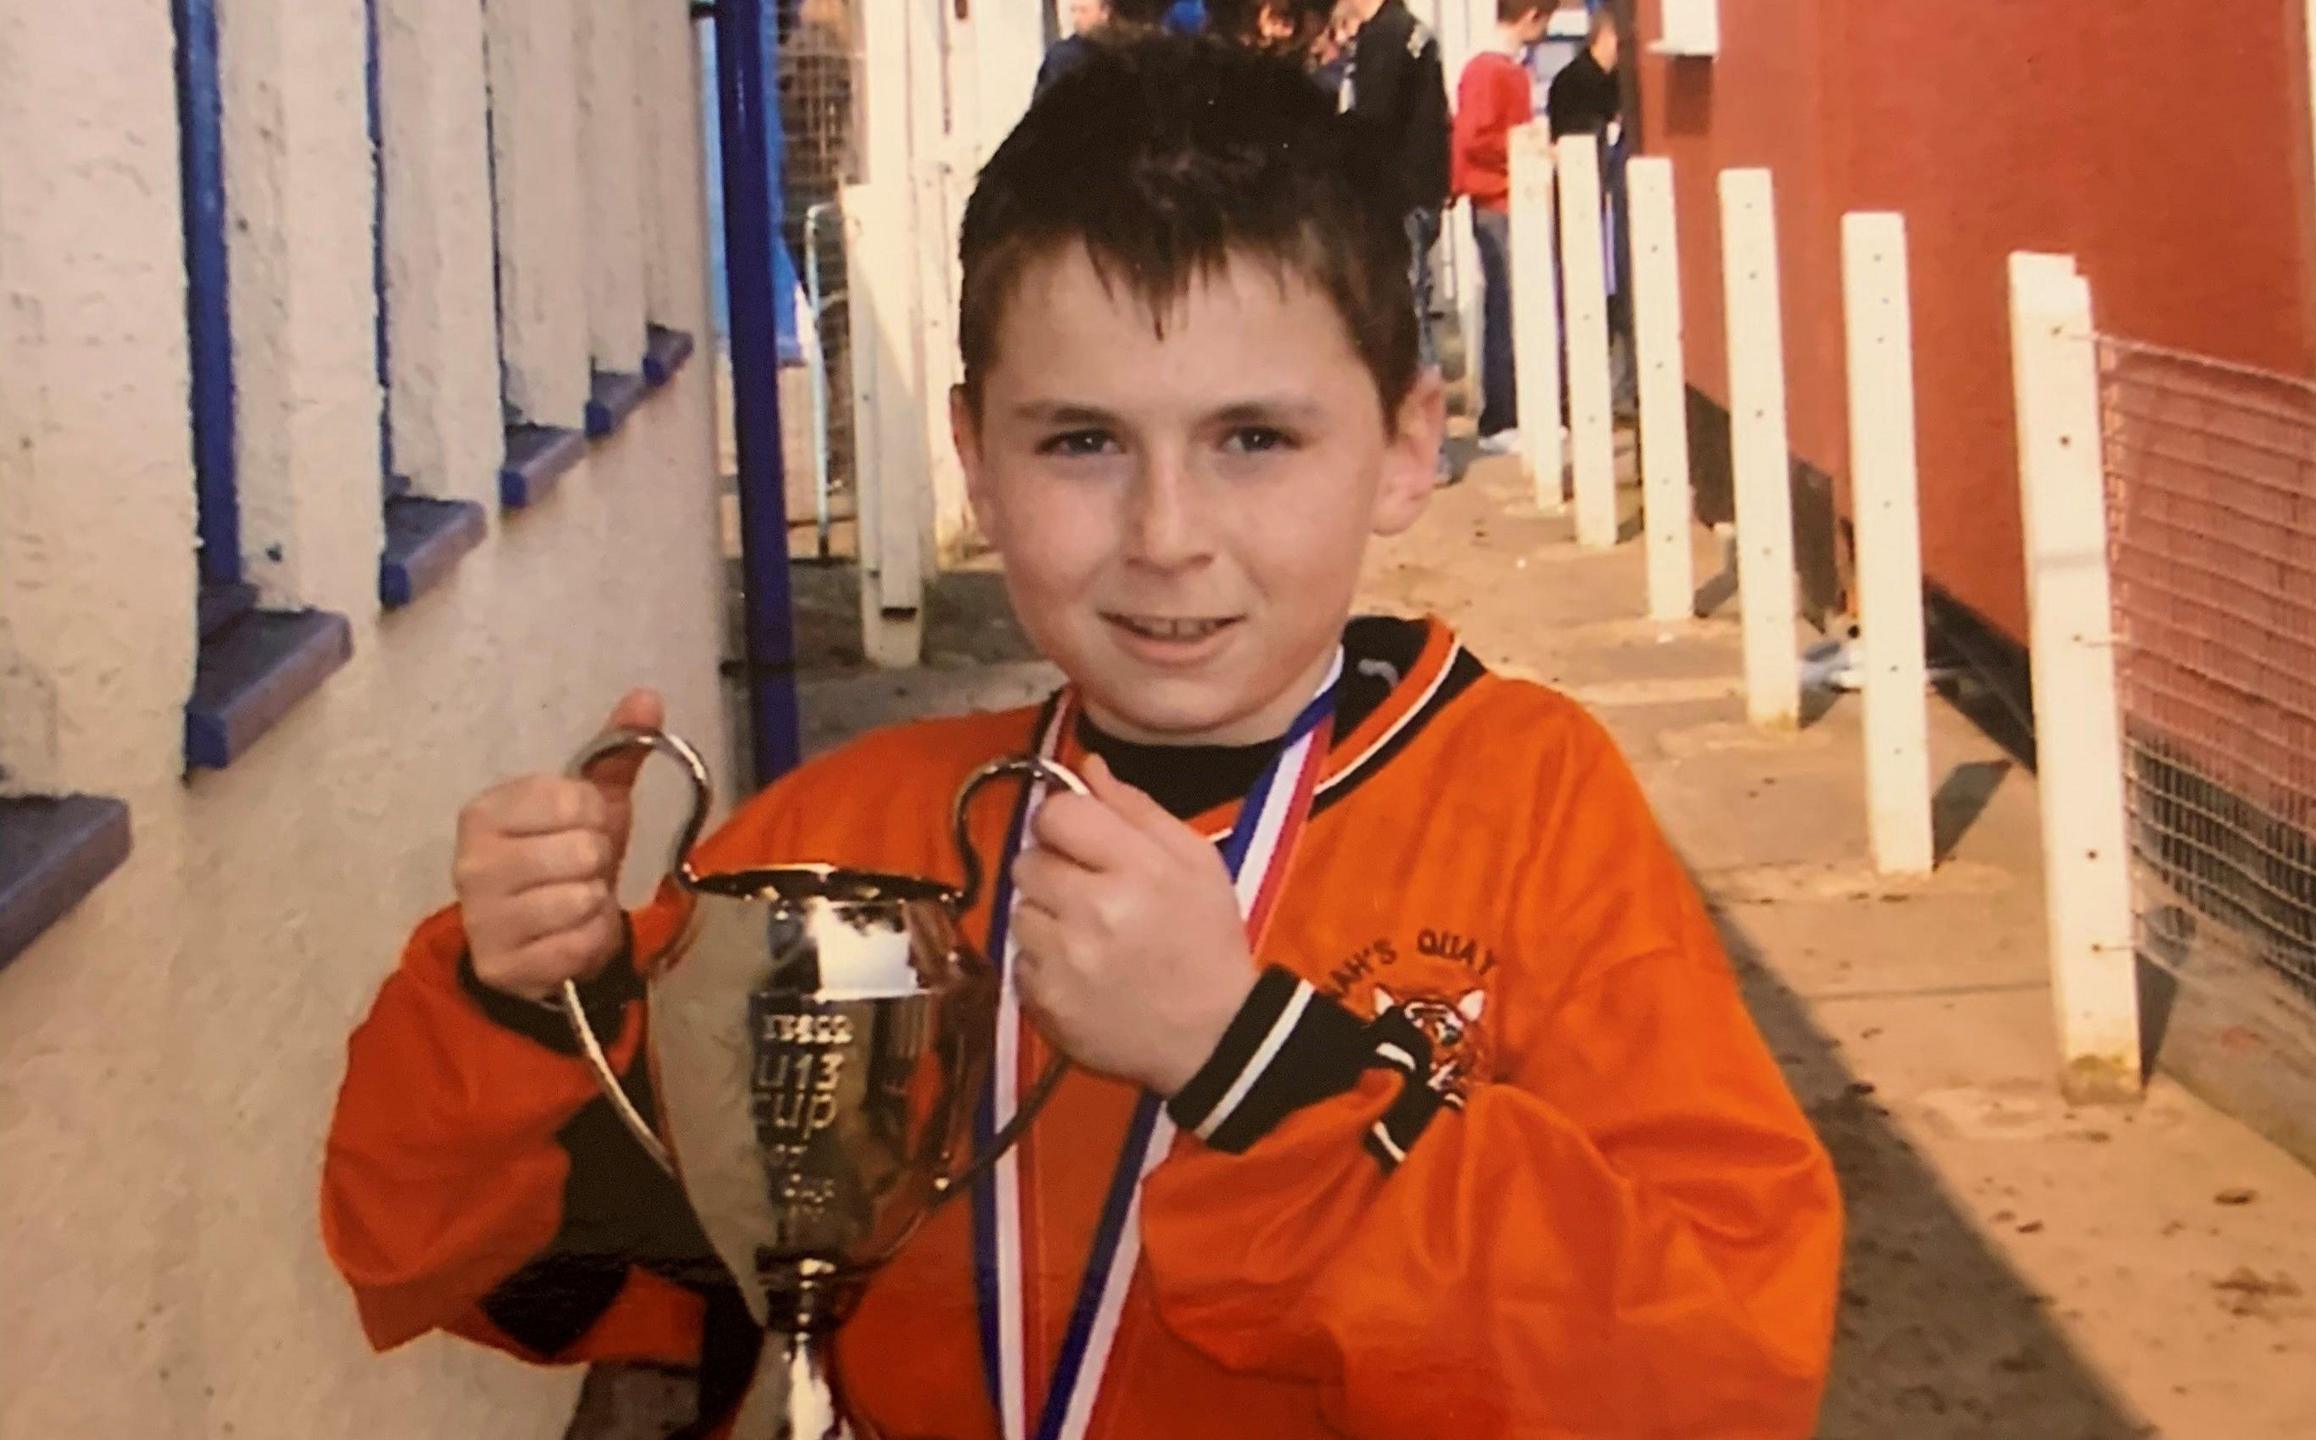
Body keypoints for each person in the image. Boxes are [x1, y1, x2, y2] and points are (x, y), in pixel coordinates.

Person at [322, 33, 1840, 1440]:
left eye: (1255, 439)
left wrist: (1252, 1063)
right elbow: (528, 1277)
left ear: (1407, 444)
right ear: (976, 455)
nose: (1167, 536)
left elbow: (1717, 1373)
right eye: (1083, 442)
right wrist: (529, 1002)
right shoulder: (846, 841)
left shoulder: (1526, 807)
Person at [1335, 0, 1456, 478]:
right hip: (1420, 193)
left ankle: (1432, 451)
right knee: (1412, 311)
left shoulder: (1384, 38)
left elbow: (1371, 124)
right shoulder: (1415, 33)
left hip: (1396, 198)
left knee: (1408, 318)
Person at [1449, 0, 1555, 455]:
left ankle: (1515, 411)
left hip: (1508, 197)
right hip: (1499, 199)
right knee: (1507, 306)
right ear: (1531, 15)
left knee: (1514, 305)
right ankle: (1501, 416)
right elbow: (1475, 138)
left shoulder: (1498, 67)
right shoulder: (1492, 70)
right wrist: (1526, 151)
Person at [1544, 0, 1636, 415]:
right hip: (1584, 200)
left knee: (1612, 298)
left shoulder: (1604, 81)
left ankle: (1614, 390)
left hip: (1609, 201)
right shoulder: (1576, 82)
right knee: (1585, 296)